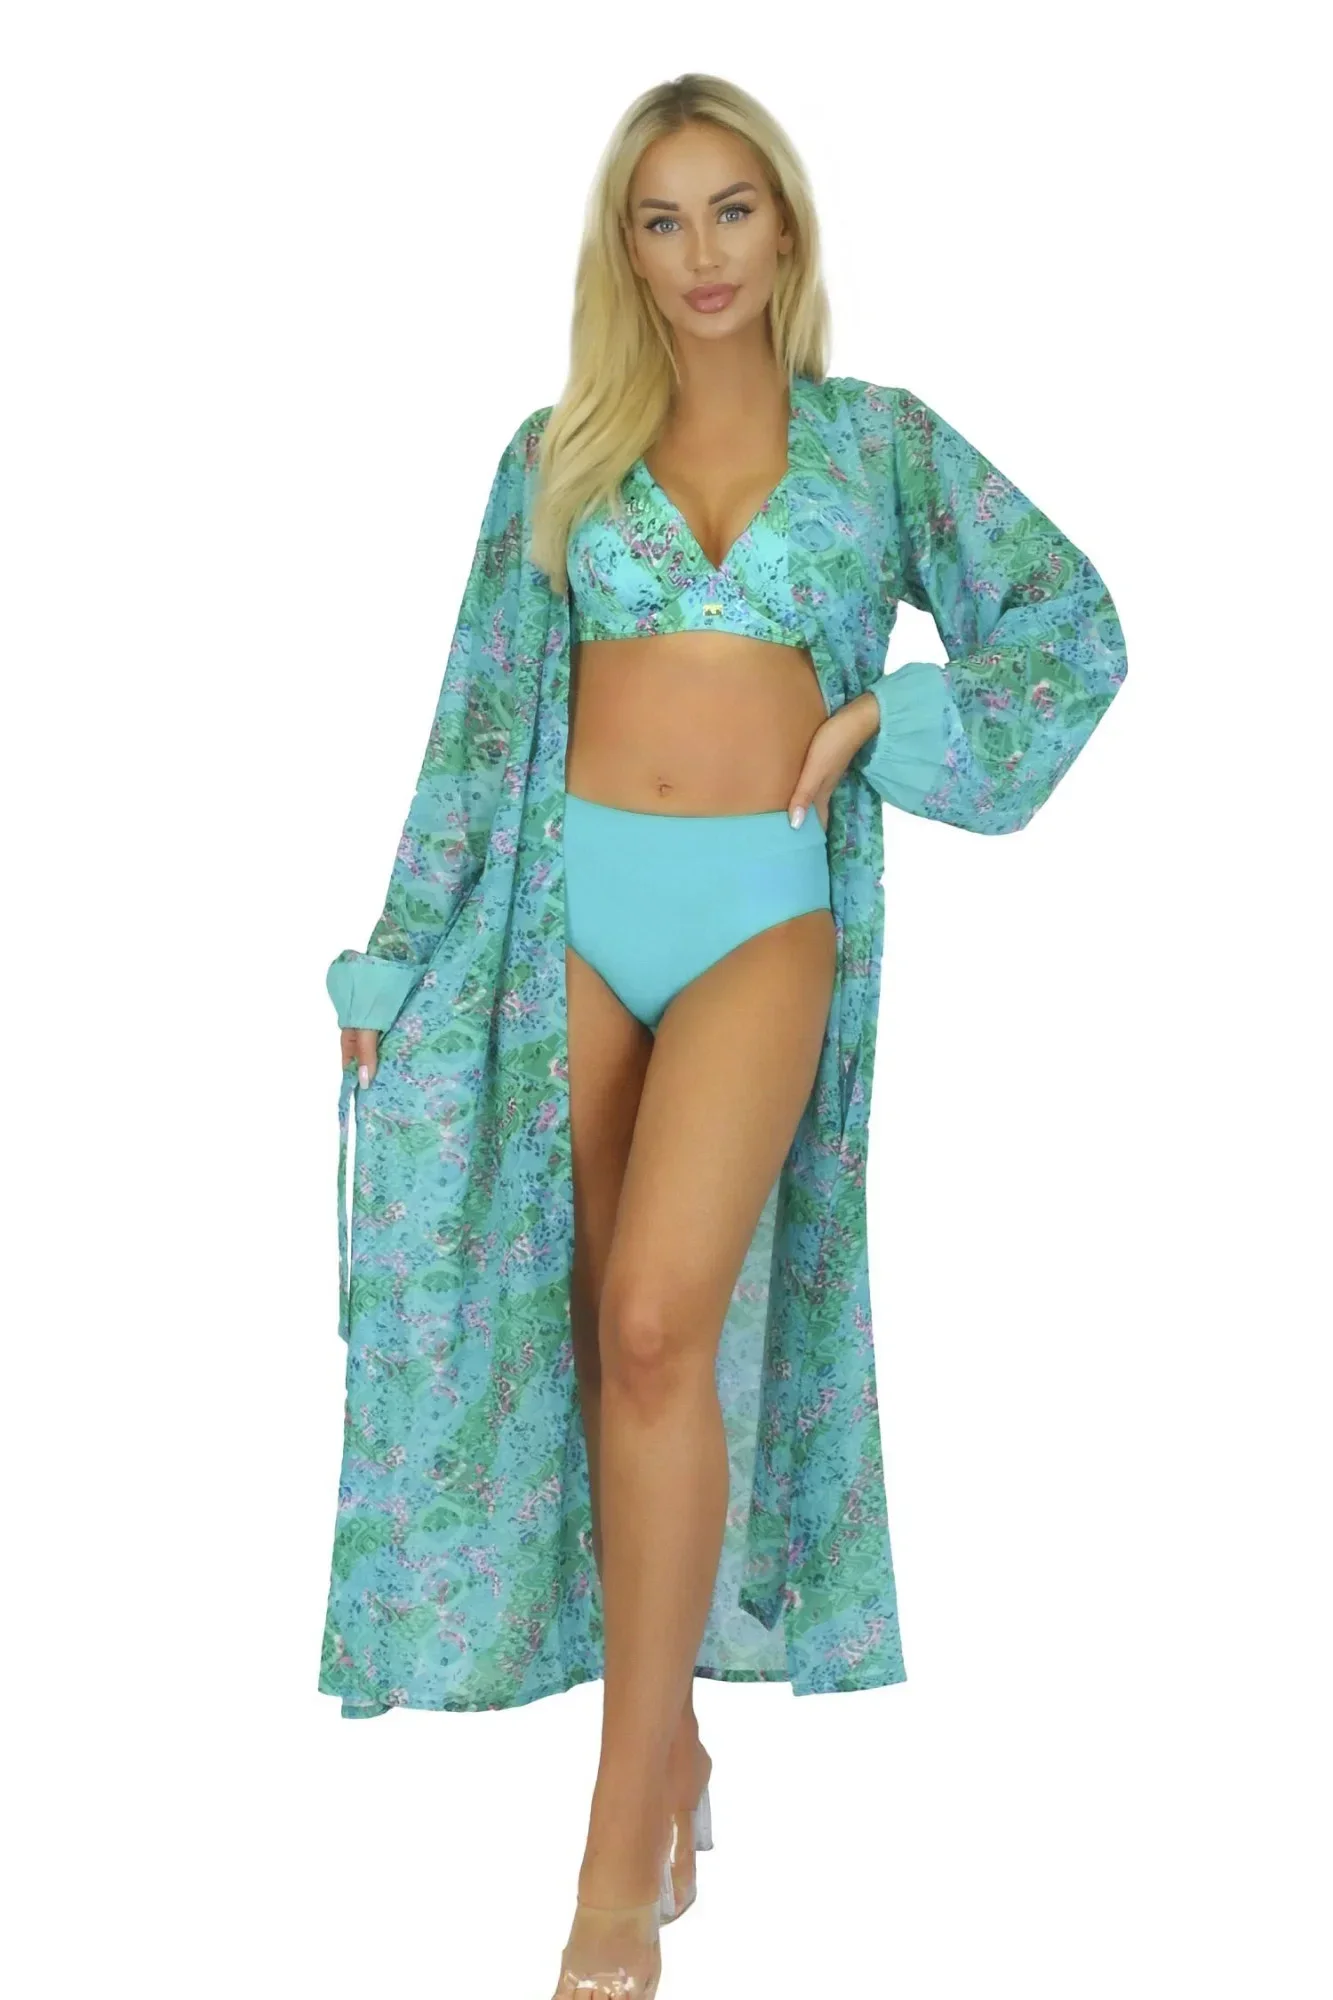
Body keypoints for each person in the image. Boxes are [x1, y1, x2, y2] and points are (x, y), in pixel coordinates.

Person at [320, 73, 1128, 2000]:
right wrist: (398, 956)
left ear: (788, 226)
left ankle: (614, 1855)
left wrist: (888, 725)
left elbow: (1069, 623)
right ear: (625, 247)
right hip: (562, 914)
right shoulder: (557, 454)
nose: (702, 253)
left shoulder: (878, 443)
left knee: (660, 1321)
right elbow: (475, 716)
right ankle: (670, 1740)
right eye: (663, 218)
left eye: (734, 209)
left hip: (764, 911)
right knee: (607, 1341)